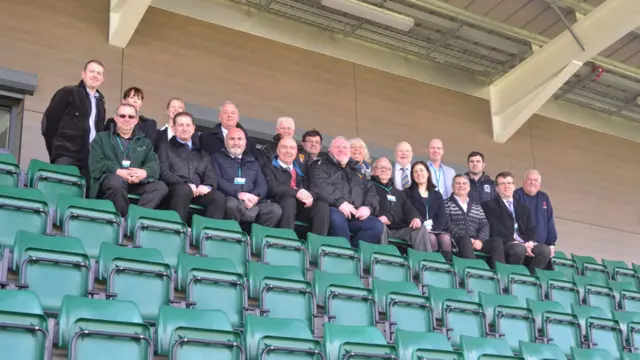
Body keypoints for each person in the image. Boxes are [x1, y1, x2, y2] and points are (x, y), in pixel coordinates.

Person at [88, 103, 168, 216]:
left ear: (136, 120)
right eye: (122, 116)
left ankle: (134, 219)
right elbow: (96, 164)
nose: (126, 119)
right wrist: (118, 171)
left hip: (136, 183)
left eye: (131, 117)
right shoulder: (101, 138)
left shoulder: (145, 142)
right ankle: (123, 220)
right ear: (115, 118)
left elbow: (154, 165)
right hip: (110, 183)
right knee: (116, 182)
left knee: (160, 187)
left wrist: (143, 173)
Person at [310, 136, 382, 246]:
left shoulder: (358, 171)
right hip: (333, 209)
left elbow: (371, 192)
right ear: (329, 150)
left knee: (376, 225)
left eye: (345, 147)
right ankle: (344, 253)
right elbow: (320, 186)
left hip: (355, 215)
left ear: (349, 152)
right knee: (336, 217)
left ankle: (354, 254)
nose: (341, 150)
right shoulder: (321, 165)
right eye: (337, 147)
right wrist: (340, 203)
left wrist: (368, 208)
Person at [42, 60, 106, 184]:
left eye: (99, 73)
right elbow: (49, 124)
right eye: (91, 71)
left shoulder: (101, 103)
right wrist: (57, 151)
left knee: (82, 197)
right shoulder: (68, 92)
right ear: (83, 74)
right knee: (61, 190)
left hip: (89, 159)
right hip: (66, 154)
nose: (95, 75)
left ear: (102, 79)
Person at [158, 112, 225, 223]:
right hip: (174, 190)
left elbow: (211, 177)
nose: (184, 128)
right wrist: (185, 184)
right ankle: (177, 231)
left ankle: (208, 234)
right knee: (183, 189)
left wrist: (207, 186)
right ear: (173, 128)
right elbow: (163, 172)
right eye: (180, 125)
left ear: (193, 128)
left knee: (218, 197)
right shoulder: (165, 147)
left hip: (197, 193)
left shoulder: (202, 154)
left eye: (188, 125)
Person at [482, 172, 551, 273]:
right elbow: (495, 229)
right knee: (518, 249)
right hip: (505, 244)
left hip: (524, 244)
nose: (506, 186)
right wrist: (515, 242)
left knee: (544, 250)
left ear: (514, 186)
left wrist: (530, 243)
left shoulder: (523, 208)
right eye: (502, 184)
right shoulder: (488, 206)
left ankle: (531, 279)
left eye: (509, 183)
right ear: (497, 188)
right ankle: (512, 275)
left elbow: (532, 229)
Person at [211, 127, 281, 227]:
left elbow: (262, 185)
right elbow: (217, 180)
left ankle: (257, 240)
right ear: (225, 142)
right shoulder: (216, 158)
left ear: (245, 143)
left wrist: (254, 197)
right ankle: (231, 235)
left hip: (252, 200)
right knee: (231, 204)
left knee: (274, 210)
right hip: (231, 197)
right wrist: (238, 194)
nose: (236, 142)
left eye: (239, 139)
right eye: (232, 139)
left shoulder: (253, 162)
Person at [263, 137, 330, 235]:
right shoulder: (268, 166)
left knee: (321, 206)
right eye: (284, 147)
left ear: (296, 152)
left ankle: (318, 244)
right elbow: (273, 187)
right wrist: (297, 192)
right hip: (279, 204)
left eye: (292, 148)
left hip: (300, 207)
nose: (288, 151)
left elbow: (315, 188)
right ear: (277, 150)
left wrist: (309, 196)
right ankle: (286, 240)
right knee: (288, 200)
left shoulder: (303, 168)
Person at [404, 161, 453, 260]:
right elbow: (407, 212)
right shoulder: (406, 193)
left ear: (428, 173)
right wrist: (424, 228)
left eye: (421, 170)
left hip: (435, 228)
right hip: (416, 229)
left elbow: (441, 216)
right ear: (412, 176)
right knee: (430, 238)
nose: (419, 174)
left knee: (445, 238)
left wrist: (434, 229)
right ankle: (431, 266)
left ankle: (446, 268)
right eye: (415, 172)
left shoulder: (437, 195)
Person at [370, 157, 425, 246]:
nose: (384, 170)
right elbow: (368, 205)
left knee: (420, 228)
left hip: (400, 229)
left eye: (387, 168)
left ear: (391, 173)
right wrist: (378, 216)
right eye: (380, 167)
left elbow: (408, 208)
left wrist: (415, 217)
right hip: (382, 227)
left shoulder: (398, 193)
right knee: (379, 226)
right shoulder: (369, 187)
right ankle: (384, 258)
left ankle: (422, 259)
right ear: (372, 171)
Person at [443, 174, 492, 260]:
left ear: (469, 188)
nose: (461, 185)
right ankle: (473, 270)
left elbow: (485, 225)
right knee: (465, 239)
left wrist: (480, 240)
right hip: (456, 241)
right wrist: (468, 239)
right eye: (458, 183)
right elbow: (446, 224)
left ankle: (499, 273)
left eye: (464, 183)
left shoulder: (477, 206)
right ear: (452, 187)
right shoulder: (445, 204)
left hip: (477, 242)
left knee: (497, 242)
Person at [514, 170, 558, 258]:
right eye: (529, 179)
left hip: (539, 246)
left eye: (535, 180)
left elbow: (549, 222)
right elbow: (514, 221)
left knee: (544, 255)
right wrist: (522, 242)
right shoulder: (516, 195)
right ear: (523, 181)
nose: (532, 182)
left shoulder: (544, 197)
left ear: (539, 184)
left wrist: (551, 244)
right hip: (521, 245)